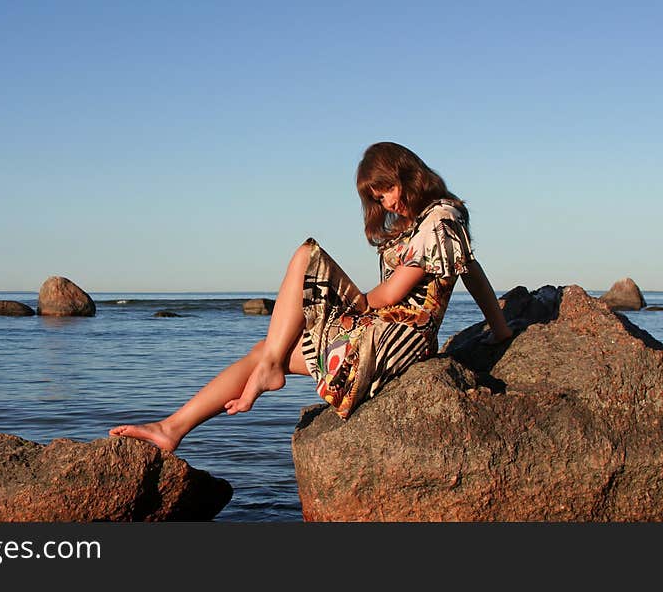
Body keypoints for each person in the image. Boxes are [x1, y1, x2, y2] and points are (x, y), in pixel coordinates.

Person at [109, 141, 513, 451]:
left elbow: (396, 291)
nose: (387, 202)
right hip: (383, 335)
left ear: (409, 174)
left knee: (306, 255)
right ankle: (171, 428)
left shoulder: (440, 218)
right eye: (378, 198)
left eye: (387, 190)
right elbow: (471, 269)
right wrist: (499, 330)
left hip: (393, 341)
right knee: (262, 349)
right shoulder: (427, 222)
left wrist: (341, 303)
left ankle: (268, 370)